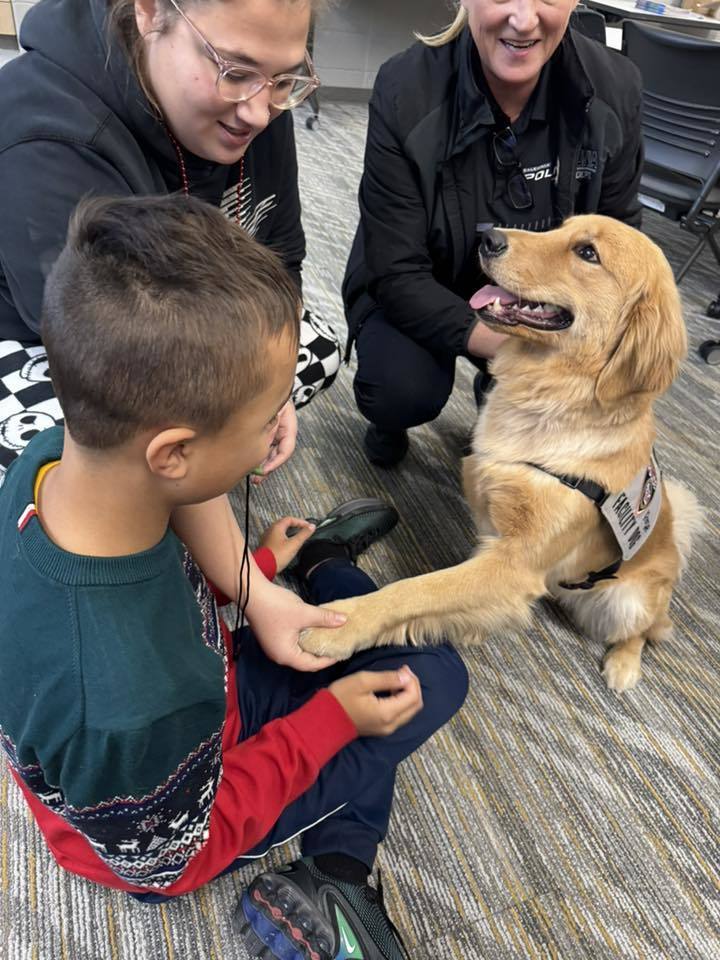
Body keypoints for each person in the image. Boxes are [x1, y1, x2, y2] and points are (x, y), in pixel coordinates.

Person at [0, 194, 468, 960]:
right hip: (172, 820)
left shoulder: (56, 460)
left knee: (374, 664)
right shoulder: (132, 702)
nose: (272, 440)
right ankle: (339, 871)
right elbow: (184, 847)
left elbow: (161, 585)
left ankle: (316, 566)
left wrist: (257, 572)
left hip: (187, 707)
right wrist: (334, 722)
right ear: (174, 454)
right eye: (264, 424)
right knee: (431, 677)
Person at [0, 0, 341, 478]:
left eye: (285, 79)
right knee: (89, 452)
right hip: (48, 343)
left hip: (197, 318)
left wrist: (264, 393)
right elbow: (116, 360)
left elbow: (284, 262)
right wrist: (245, 417)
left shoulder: (260, 100)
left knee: (318, 347)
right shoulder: (47, 135)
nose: (261, 114)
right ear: (150, 11)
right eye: (235, 71)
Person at [342, 0, 644, 467]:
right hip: (425, 277)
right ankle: (394, 419)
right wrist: (516, 350)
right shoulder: (405, 88)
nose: (523, 20)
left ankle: (497, 385)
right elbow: (396, 270)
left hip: (541, 297)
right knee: (399, 390)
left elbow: (621, 248)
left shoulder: (616, 87)